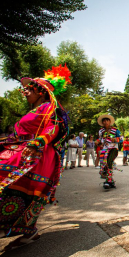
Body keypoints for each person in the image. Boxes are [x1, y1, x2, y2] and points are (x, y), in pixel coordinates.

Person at [0, 65, 70, 250]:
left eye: (29, 89)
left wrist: (38, 142)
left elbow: (53, 128)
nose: (25, 92)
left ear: (41, 92)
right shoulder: (34, 110)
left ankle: (24, 228)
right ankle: (18, 228)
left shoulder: (49, 108)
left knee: (21, 189)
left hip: (36, 155)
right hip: (19, 151)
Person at [97, 114, 121, 189]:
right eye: (104, 121)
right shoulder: (101, 131)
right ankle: (111, 180)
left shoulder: (115, 130)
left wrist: (114, 139)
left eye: (107, 120)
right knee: (104, 163)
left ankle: (109, 180)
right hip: (105, 149)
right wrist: (97, 141)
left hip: (113, 148)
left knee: (109, 161)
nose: (105, 122)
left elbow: (121, 139)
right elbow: (100, 139)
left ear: (110, 122)